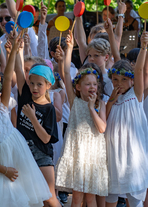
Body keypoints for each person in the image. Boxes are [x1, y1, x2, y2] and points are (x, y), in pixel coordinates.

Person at [0, 34, 51, 206]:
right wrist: (4, 170)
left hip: (18, 159)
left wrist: (13, 52)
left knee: (21, 198)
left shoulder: (3, 108)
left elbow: (6, 76)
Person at [55, 31, 108, 207]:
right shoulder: (74, 101)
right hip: (77, 152)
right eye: (87, 84)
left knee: (90, 197)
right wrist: (69, 49)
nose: (92, 87)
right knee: (77, 196)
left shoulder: (101, 103)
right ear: (78, 87)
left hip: (93, 154)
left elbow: (102, 128)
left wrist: (92, 108)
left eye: (94, 84)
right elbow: (66, 74)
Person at [14, 36, 61, 207]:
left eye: (39, 84)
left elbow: (47, 138)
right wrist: (17, 49)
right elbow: (19, 70)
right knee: (30, 197)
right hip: (23, 152)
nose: (34, 88)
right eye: (31, 83)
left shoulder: (48, 108)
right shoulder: (25, 95)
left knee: (49, 196)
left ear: (48, 85)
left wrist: (33, 118)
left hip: (42, 154)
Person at [105, 46, 148, 207]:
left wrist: (144, 48)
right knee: (111, 196)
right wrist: (110, 100)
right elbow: (105, 119)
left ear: (131, 80)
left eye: (124, 79)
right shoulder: (111, 100)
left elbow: (139, 70)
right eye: (115, 79)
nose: (119, 83)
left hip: (132, 157)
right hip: (113, 157)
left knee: (134, 198)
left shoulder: (136, 95)